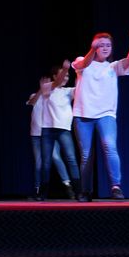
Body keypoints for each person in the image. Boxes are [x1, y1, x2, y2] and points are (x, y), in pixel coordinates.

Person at [72, 29, 129, 201]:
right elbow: (83, 64)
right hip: (83, 115)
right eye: (101, 45)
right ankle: (86, 191)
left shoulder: (113, 66)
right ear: (95, 47)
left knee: (110, 146)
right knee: (86, 155)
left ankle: (116, 187)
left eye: (108, 45)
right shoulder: (82, 61)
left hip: (106, 114)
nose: (104, 48)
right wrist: (91, 48)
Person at [37, 61, 80, 200]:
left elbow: (81, 89)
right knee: (46, 162)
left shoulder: (68, 91)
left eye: (67, 76)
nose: (65, 77)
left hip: (64, 130)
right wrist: (66, 69)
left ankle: (79, 192)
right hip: (48, 130)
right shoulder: (47, 87)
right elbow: (56, 83)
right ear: (55, 76)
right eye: (63, 75)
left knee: (71, 159)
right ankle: (43, 193)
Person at [27, 81, 71, 201]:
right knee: (38, 163)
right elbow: (31, 102)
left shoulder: (53, 96)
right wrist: (40, 90)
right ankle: (37, 189)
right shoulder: (35, 96)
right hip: (36, 134)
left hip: (49, 134)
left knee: (56, 157)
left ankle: (67, 184)